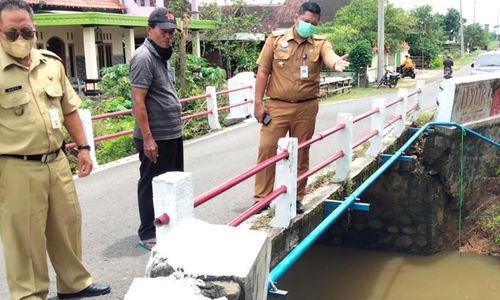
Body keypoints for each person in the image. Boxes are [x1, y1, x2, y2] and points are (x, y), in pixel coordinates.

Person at [0, 0, 110, 299]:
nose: (20, 38)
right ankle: (29, 294)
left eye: (26, 31)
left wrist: (84, 148)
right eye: (11, 33)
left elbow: (70, 110)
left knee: (68, 223)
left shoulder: (51, 63)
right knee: (25, 236)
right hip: (15, 166)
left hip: (57, 160)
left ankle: (74, 283)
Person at [253, 1, 349, 214]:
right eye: (306, 21)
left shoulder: (320, 43)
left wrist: (335, 63)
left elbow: (330, 56)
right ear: (296, 18)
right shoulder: (275, 40)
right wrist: (258, 104)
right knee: (267, 149)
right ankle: (262, 198)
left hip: (306, 108)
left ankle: (296, 196)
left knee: (301, 152)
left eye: (313, 24)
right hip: (277, 106)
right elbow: (262, 72)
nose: (309, 26)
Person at [129, 7, 183, 250]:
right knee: (151, 183)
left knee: (173, 181)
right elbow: (138, 101)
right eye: (164, 31)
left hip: (171, 132)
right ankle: (148, 232)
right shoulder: (143, 57)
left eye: (171, 32)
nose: (168, 36)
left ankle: (171, 224)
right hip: (156, 136)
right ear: (150, 30)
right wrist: (148, 139)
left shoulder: (162, 55)